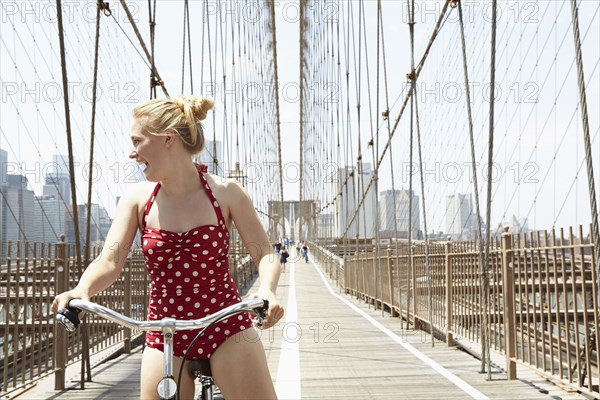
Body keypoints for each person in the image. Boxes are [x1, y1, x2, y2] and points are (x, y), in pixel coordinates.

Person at [52, 96, 284, 400]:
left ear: (167, 139)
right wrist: (82, 290)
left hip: (226, 326)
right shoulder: (137, 199)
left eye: (137, 141)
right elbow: (109, 261)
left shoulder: (227, 193)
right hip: (164, 331)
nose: (132, 153)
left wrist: (266, 289)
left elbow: (265, 253)